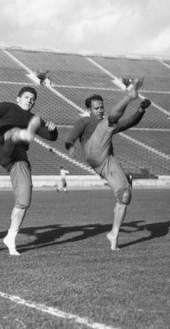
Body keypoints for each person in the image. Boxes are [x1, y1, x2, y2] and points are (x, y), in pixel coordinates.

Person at [64, 78, 150, 250]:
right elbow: (70, 137)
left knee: (125, 194)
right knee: (109, 122)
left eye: (102, 107)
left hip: (106, 159)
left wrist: (140, 110)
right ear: (88, 110)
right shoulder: (84, 121)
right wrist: (70, 146)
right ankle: (129, 96)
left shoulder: (109, 123)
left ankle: (113, 235)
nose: (100, 110)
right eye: (96, 108)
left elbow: (129, 122)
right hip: (92, 149)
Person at [0, 86, 58, 256]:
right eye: (27, 97)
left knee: (24, 199)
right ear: (18, 98)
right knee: (12, 133)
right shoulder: (8, 107)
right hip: (2, 147)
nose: (30, 100)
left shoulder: (35, 118)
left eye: (33, 98)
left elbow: (52, 137)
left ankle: (10, 238)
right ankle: (23, 134)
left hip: (18, 159)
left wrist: (53, 128)